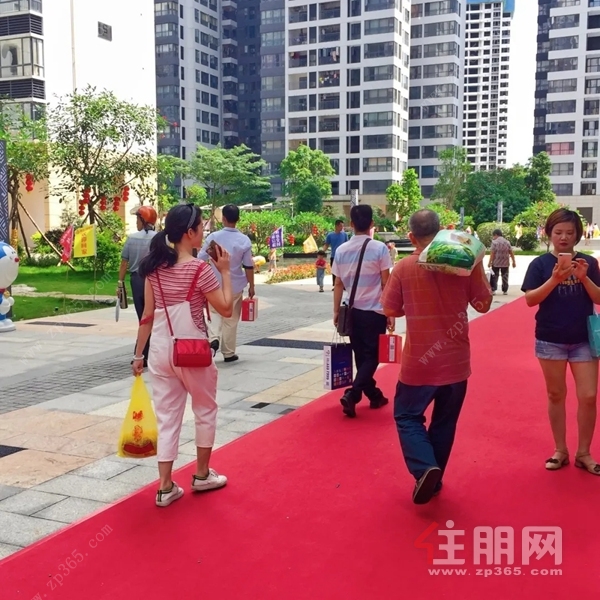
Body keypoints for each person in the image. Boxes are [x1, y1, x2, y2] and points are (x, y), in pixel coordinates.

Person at [382, 209, 492, 505]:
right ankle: (434, 478)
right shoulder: (464, 265)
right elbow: (482, 304)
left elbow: (390, 309)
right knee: (444, 422)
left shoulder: (404, 267)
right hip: (456, 362)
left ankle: (424, 469)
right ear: (442, 230)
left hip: (419, 362)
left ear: (411, 237)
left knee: (407, 415)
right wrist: (477, 265)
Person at [133, 204, 234, 507]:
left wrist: (138, 356)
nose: (204, 232)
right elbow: (225, 308)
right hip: (192, 351)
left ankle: (165, 487)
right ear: (189, 233)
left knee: (167, 417)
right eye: (201, 227)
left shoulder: (154, 269)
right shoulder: (200, 269)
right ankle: (202, 475)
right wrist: (225, 271)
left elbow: (146, 316)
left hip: (160, 350)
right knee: (205, 408)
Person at [521, 208, 600, 476]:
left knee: (588, 396)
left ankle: (584, 452)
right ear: (549, 234)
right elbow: (530, 299)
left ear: (577, 235)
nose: (564, 237)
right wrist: (555, 279)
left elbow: (598, 298)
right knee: (556, 394)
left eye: (569, 232)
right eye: (558, 232)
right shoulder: (540, 264)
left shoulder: (589, 263)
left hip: (584, 339)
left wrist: (583, 278)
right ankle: (560, 450)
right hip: (550, 338)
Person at [332, 204, 393, 417]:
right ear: (372, 224)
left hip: (352, 312)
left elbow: (338, 283)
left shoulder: (341, 250)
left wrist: (336, 311)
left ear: (351, 224)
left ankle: (375, 395)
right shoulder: (379, 248)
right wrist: (390, 311)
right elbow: (386, 283)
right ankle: (353, 394)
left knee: (361, 355)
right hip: (375, 312)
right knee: (372, 356)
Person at [199, 204, 255, 363]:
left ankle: (213, 338)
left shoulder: (213, 237)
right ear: (238, 219)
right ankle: (229, 352)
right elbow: (248, 266)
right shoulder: (244, 240)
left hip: (214, 284)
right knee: (231, 318)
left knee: (214, 312)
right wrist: (252, 286)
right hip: (235, 285)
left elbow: (201, 258)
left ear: (223, 218)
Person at [118, 206, 158, 367]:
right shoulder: (159, 238)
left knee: (142, 317)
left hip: (137, 281)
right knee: (154, 316)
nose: (136, 222)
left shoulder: (131, 238)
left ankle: (141, 352)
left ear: (144, 220)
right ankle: (148, 352)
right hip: (155, 280)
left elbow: (124, 263)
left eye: (137, 219)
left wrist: (120, 283)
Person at [488, 229, 516, 296]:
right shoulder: (507, 242)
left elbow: (492, 253)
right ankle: (505, 290)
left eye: (493, 236)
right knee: (505, 276)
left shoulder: (494, 242)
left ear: (496, 235)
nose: (493, 237)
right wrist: (513, 261)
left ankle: (493, 290)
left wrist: (489, 262)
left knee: (494, 276)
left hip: (496, 262)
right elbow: (511, 252)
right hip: (505, 263)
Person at [323, 219, 348, 290]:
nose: (342, 228)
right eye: (340, 226)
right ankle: (335, 285)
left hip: (343, 256)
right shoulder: (330, 235)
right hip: (334, 256)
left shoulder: (344, 235)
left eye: (342, 226)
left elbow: (347, 244)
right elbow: (326, 245)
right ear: (336, 226)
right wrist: (322, 252)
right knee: (335, 271)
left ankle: (344, 285)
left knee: (343, 271)